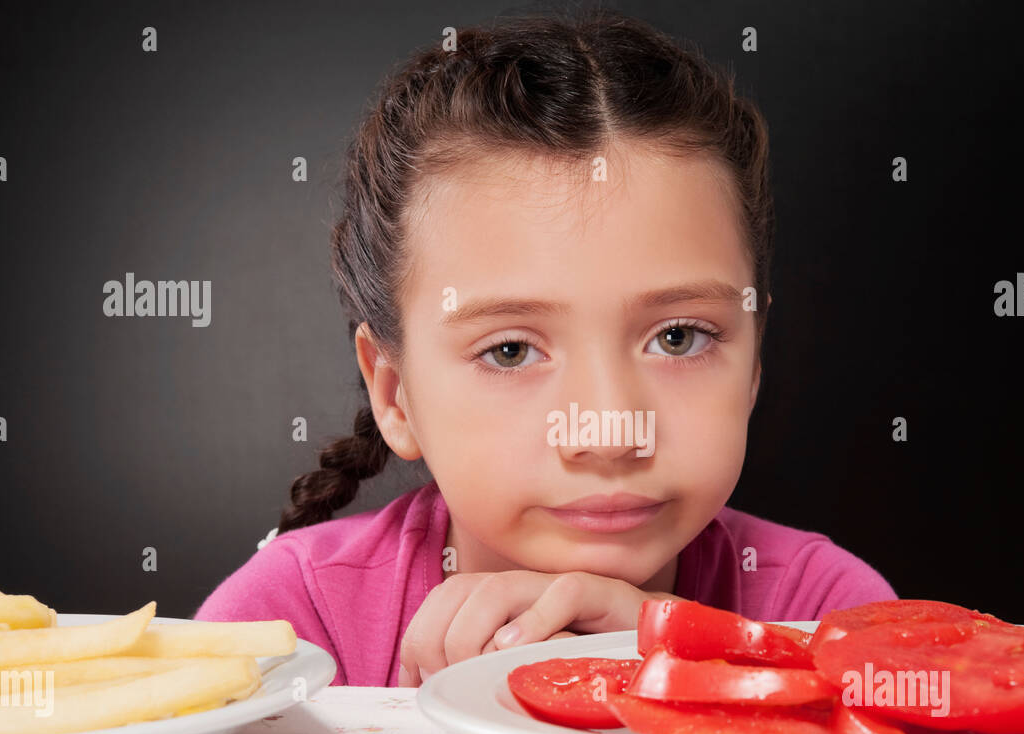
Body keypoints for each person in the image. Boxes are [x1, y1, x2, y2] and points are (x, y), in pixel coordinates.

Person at [194, 9, 895, 687]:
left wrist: (688, 662)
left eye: (678, 337)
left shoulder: (835, 619)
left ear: (753, 365)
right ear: (394, 393)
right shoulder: (288, 628)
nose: (609, 432)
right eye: (509, 351)